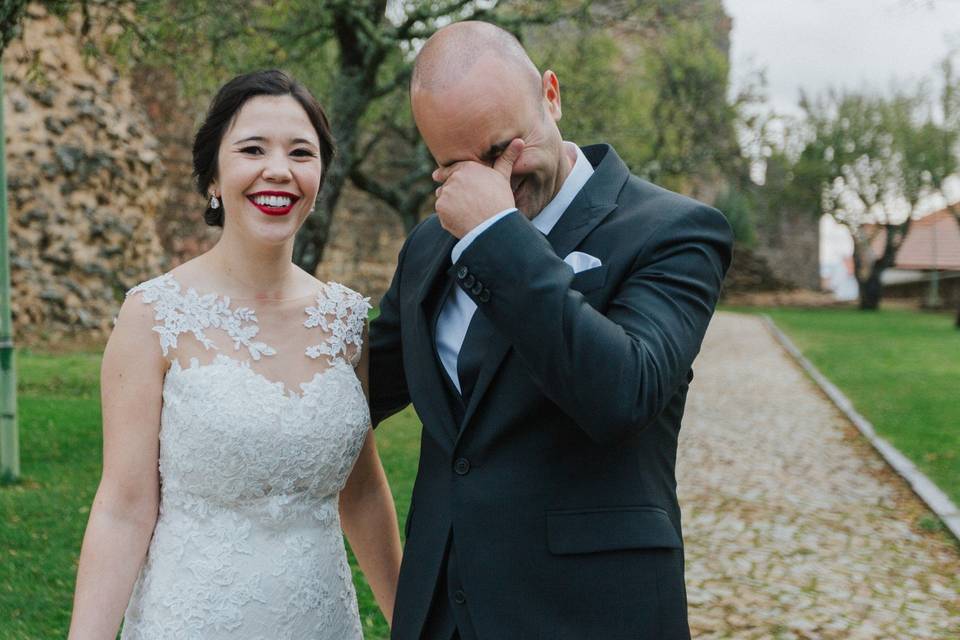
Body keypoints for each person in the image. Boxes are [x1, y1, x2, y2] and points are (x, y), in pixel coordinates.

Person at [369, 21, 733, 640]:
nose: (495, 179)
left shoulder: (675, 232)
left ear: (552, 95)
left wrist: (495, 237)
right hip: (440, 614)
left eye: (504, 149)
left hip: (588, 613)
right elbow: (354, 390)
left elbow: (623, 395)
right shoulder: (428, 246)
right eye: (457, 164)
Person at [68, 69, 402, 639]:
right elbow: (123, 508)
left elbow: (364, 492)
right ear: (214, 179)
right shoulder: (154, 315)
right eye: (252, 149)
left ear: (319, 175)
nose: (279, 169)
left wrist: (414, 623)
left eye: (302, 152)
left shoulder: (346, 321)